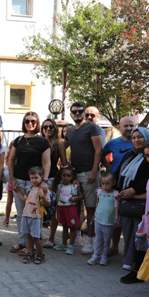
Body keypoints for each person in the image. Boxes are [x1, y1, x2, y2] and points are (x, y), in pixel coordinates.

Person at [60, 102, 103, 255]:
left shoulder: (92, 127)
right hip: (75, 174)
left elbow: (99, 150)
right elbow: (61, 145)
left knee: (90, 208)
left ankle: (90, 241)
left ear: (84, 112)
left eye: (80, 111)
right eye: (74, 112)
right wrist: (66, 166)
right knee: (75, 207)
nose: (77, 114)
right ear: (71, 114)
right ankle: (76, 236)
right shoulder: (70, 131)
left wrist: (93, 171)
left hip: (89, 173)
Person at [8, 112, 51, 256]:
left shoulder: (42, 141)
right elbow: (11, 160)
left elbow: (46, 162)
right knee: (21, 214)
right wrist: (12, 179)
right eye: (27, 121)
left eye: (33, 121)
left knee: (34, 215)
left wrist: (44, 180)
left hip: (35, 184)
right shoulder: (18, 140)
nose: (30, 124)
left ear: (37, 123)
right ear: (24, 122)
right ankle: (22, 242)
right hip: (19, 181)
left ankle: (31, 245)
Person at [116, 127, 149, 282]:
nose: (137, 140)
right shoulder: (129, 155)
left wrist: (133, 190)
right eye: (134, 137)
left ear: (147, 138)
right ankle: (130, 262)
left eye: (140, 137)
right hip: (127, 200)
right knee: (128, 232)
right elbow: (118, 172)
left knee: (140, 235)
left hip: (142, 200)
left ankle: (140, 268)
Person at [103, 116, 137, 255]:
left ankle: (132, 250)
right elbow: (101, 154)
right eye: (126, 126)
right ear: (119, 127)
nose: (129, 128)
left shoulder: (139, 142)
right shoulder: (113, 143)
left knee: (131, 218)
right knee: (116, 216)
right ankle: (115, 246)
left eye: (131, 125)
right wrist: (109, 168)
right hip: (117, 183)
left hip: (134, 184)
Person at [15, 166, 50, 264]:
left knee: (35, 237)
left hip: (36, 217)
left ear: (42, 177)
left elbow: (48, 203)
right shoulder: (30, 188)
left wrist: (42, 196)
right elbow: (25, 199)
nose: (33, 180)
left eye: (36, 177)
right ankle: (30, 254)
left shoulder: (44, 189)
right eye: (31, 178)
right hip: (26, 215)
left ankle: (40, 254)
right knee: (28, 236)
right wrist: (17, 191)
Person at [41, 118, 63, 248]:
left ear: (54, 129)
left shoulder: (58, 144)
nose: (48, 129)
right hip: (39, 178)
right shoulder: (38, 141)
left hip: (53, 178)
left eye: (50, 127)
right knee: (38, 206)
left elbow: (64, 163)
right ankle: (37, 235)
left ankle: (51, 237)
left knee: (54, 208)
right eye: (45, 127)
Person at [51, 166, 82, 254]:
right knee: (64, 227)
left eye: (68, 176)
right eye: (64, 175)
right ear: (61, 176)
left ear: (72, 177)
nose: (66, 177)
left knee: (72, 228)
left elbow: (81, 195)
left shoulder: (74, 186)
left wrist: (75, 198)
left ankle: (71, 245)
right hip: (61, 208)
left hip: (71, 208)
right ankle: (64, 243)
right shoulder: (59, 186)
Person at [91, 172, 119, 266]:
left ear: (113, 183)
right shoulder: (99, 191)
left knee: (107, 240)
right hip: (98, 219)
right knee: (98, 239)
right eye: (103, 184)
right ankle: (95, 255)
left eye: (108, 184)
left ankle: (104, 256)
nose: (105, 186)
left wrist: (115, 220)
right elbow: (98, 203)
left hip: (109, 221)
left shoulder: (115, 194)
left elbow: (116, 207)